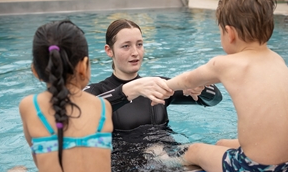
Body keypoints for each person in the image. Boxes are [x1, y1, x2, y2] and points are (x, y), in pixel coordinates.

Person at [164, 0, 288, 172]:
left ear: (229, 33)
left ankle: (160, 164)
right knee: (221, 143)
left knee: (195, 150)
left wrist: (163, 86)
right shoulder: (277, 59)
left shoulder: (226, 64)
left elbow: (186, 81)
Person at [18, 20, 118, 172]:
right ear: (84, 65)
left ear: (35, 70)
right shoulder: (103, 106)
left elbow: (40, 164)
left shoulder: (29, 106)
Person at [84, 18, 223, 132]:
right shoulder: (97, 91)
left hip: (171, 157)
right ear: (109, 50)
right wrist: (131, 90)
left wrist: (200, 89)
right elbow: (77, 115)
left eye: (139, 44)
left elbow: (215, 99)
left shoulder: (156, 86)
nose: (135, 52)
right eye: (126, 46)